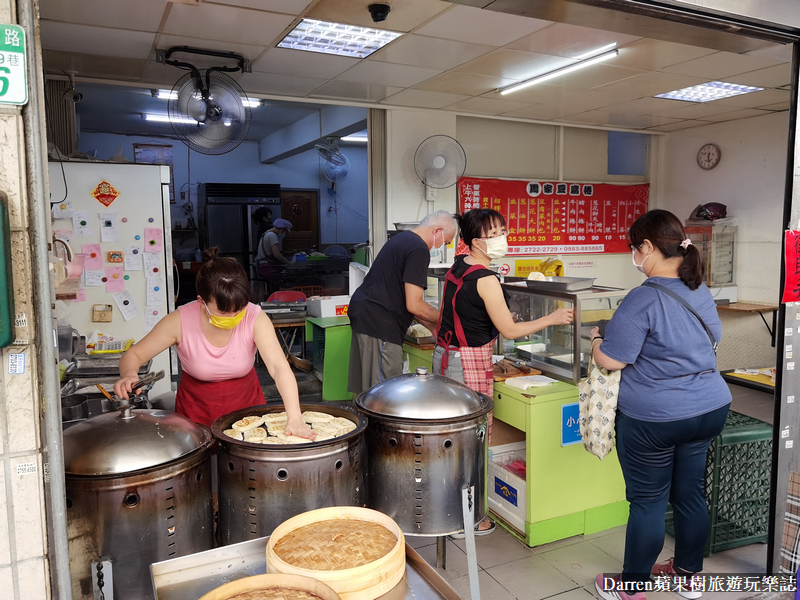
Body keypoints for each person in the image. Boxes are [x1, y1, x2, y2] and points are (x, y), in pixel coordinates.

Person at [591, 210, 731, 600]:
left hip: (656, 418)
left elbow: (614, 359)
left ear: (649, 247)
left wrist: (596, 341)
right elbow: (711, 337)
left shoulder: (643, 297)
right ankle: (687, 576)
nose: (635, 256)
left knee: (648, 501)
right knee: (688, 493)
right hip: (709, 408)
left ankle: (632, 588)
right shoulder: (699, 289)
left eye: (636, 248)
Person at [432, 208, 574, 536]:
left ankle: (449, 507)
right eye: (493, 234)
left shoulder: (459, 267)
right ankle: (467, 517)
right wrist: (551, 319)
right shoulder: (486, 278)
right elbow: (509, 331)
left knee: (452, 440)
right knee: (472, 442)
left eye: (502, 230)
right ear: (476, 241)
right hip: (468, 363)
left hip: (446, 356)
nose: (501, 238)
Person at [114, 248, 314, 438]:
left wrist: (295, 416)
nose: (234, 316)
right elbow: (134, 355)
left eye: (239, 310)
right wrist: (130, 375)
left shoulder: (254, 317)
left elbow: (279, 367)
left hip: (247, 409)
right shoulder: (180, 321)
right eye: (223, 311)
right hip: (195, 412)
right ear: (201, 301)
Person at [348, 211, 457, 395]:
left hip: (365, 313)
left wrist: (431, 325)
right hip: (380, 322)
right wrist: (447, 319)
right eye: (446, 242)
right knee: (385, 392)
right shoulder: (419, 249)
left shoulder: (403, 239)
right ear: (437, 231)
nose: (443, 247)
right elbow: (414, 305)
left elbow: (402, 296)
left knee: (367, 389)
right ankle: (378, 423)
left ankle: (366, 422)